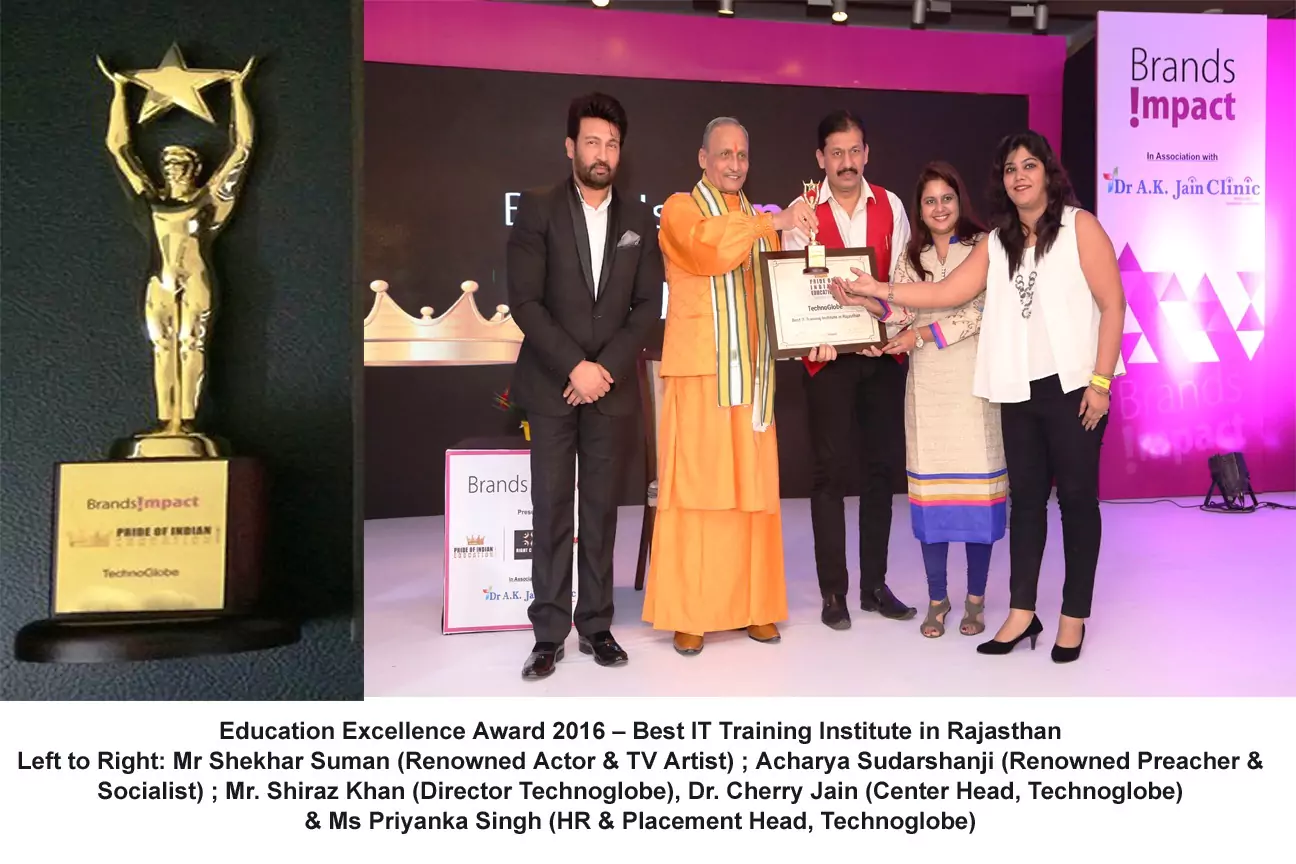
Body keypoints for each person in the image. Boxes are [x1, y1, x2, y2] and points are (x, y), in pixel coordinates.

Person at [829, 131, 1125, 663]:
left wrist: (1101, 382)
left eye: (1029, 166)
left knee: (1077, 503)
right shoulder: (996, 243)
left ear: (1047, 172)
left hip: (1076, 389)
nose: (1019, 176)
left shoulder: (1080, 226)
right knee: (1026, 506)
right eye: (1010, 169)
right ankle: (1021, 612)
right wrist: (878, 289)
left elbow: (1113, 304)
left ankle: (1073, 617)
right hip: (1016, 391)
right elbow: (946, 292)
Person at [643, 117, 816, 655]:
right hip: (702, 374)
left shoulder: (758, 220)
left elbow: (781, 291)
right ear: (703, 158)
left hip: (754, 377)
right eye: (724, 154)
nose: (735, 164)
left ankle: (754, 606)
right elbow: (709, 251)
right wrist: (773, 222)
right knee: (699, 494)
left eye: (742, 155)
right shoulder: (681, 208)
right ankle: (692, 612)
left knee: (753, 492)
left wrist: (814, 330)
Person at [506, 93, 664, 679]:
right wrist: (575, 366)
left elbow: (646, 306)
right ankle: (548, 634)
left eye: (612, 144)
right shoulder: (538, 208)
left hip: (611, 387)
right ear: (570, 146)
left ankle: (596, 625)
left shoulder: (638, 220)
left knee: (600, 511)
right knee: (551, 509)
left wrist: (604, 369)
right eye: (592, 142)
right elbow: (525, 300)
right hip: (552, 383)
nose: (602, 153)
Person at [780, 110, 916, 630]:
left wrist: (891, 326)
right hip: (828, 362)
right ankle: (833, 592)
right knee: (829, 474)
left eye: (854, 151)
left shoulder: (892, 205)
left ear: (867, 154)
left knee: (881, 471)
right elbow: (795, 290)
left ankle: (874, 586)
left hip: (881, 357)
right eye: (836, 153)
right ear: (820, 158)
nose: (846, 162)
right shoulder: (803, 213)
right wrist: (807, 339)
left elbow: (903, 279)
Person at [99, 56, 254, 456]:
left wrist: (237, 90)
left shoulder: (209, 202)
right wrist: (119, 92)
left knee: (192, 343)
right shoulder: (148, 201)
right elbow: (118, 149)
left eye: (181, 162)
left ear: (195, 168)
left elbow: (241, 149)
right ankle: (165, 421)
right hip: (160, 280)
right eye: (168, 163)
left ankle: (185, 420)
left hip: (197, 276)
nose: (173, 168)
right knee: (161, 346)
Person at [879, 162, 1005, 638]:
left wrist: (920, 335)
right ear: (920, 208)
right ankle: (938, 598)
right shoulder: (911, 257)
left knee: (977, 505)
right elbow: (897, 312)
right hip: (928, 391)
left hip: (975, 389)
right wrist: (861, 306)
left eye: (946, 198)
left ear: (960, 200)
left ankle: (975, 600)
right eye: (929, 200)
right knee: (932, 506)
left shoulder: (984, 246)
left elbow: (981, 311)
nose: (939, 208)